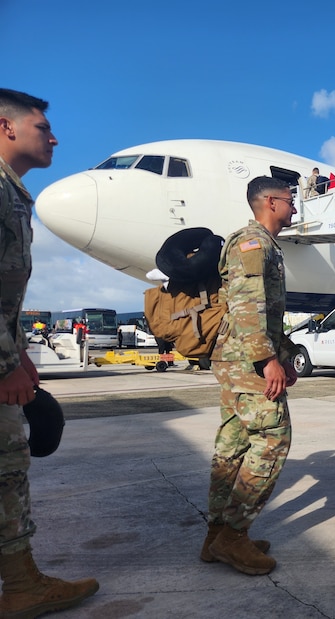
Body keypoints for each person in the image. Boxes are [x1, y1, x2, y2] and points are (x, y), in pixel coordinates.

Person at [0, 89, 99, 616]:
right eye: (43, 127)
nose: (55, 137)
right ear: (6, 127)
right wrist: (5, 364)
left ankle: (20, 582)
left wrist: (19, 349)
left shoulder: (11, 193)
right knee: (7, 471)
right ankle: (20, 587)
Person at [202, 176, 300, 574]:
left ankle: (216, 538)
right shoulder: (252, 242)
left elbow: (269, 312)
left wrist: (285, 351)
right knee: (273, 439)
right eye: (291, 202)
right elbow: (246, 305)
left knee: (234, 444)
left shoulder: (266, 244)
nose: (295, 209)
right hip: (246, 361)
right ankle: (233, 536)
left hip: (239, 357)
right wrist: (266, 360)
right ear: (271, 203)